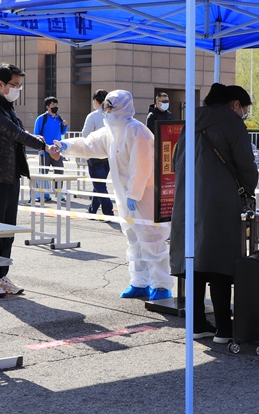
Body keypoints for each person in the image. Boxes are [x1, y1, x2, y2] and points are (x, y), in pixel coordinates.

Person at [51, 90, 174, 301]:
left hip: (144, 196)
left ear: (122, 108)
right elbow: (89, 144)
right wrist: (65, 146)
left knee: (152, 239)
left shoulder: (138, 132)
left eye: (109, 107)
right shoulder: (111, 132)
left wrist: (134, 194)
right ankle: (139, 282)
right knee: (133, 239)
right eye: (105, 107)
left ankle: (161, 285)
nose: (105, 111)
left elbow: (141, 166)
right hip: (126, 197)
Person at [168, 83, 258, 343]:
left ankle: (197, 324)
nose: (243, 114)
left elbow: (175, 162)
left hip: (187, 201)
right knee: (221, 261)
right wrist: (247, 190)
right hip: (221, 201)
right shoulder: (232, 123)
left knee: (194, 260)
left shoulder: (191, 122)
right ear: (235, 104)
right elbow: (246, 165)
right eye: (244, 109)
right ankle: (224, 328)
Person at [0, 63, 57, 297]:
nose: (17, 90)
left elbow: (20, 133)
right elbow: (16, 133)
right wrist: (43, 146)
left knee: (7, 230)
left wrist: (39, 139)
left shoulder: (7, 108)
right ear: (0, 84)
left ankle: (1, 275)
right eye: (14, 85)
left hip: (10, 174)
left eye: (20, 86)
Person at [81, 89, 114, 217]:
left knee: (99, 185)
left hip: (94, 154)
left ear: (95, 101)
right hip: (108, 154)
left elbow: (85, 135)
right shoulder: (112, 115)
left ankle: (108, 210)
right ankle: (92, 210)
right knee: (100, 183)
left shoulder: (93, 116)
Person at [33, 96, 68, 202]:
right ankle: (43, 194)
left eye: (56, 105)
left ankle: (59, 193)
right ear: (47, 106)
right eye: (52, 105)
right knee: (43, 173)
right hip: (45, 150)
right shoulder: (41, 118)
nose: (55, 107)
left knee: (59, 172)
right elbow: (36, 133)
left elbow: (62, 132)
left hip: (57, 150)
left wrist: (65, 126)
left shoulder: (59, 118)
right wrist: (39, 147)